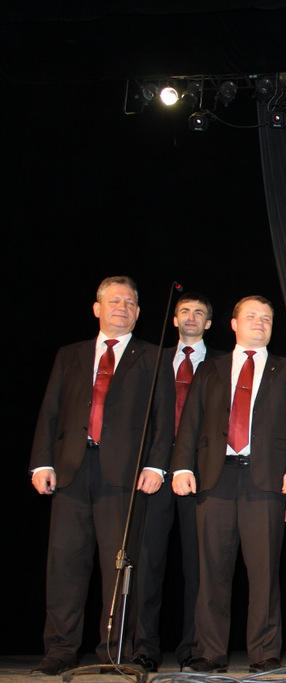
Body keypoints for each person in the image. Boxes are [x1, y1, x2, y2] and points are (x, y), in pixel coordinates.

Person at [29, 276, 174, 676]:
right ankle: (60, 650)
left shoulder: (154, 357)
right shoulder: (70, 355)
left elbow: (164, 418)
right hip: (71, 470)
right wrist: (41, 462)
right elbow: (50, 410)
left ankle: (116, 651)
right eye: (114, 301)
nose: (121, 308)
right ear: (97, 309)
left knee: (120, 565)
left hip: (124, 475)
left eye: (129, 303)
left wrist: (155, 465)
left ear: (138, 313)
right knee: (65, 563)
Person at [170, 295, 286, 674]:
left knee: (265, 572)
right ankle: (209, 651)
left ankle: (264, 652)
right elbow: (190, 422)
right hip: (214, 478)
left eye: (266, 318)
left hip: (265, 481)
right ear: (234, 324)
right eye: (252, 316)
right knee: (212, 570)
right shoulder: (210, 369)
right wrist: (181, 466)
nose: (260, 323)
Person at [131, 292, 222, 673]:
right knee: (147, 561)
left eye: (199, 312)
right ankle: (143, 648)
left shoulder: (221, 364)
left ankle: (193, 647)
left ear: (209, 323)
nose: (191, 317)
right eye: (185, 311)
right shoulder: (151, 359)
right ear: (174, 319)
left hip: (201, 473)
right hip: (153, 469)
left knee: (199, 566)